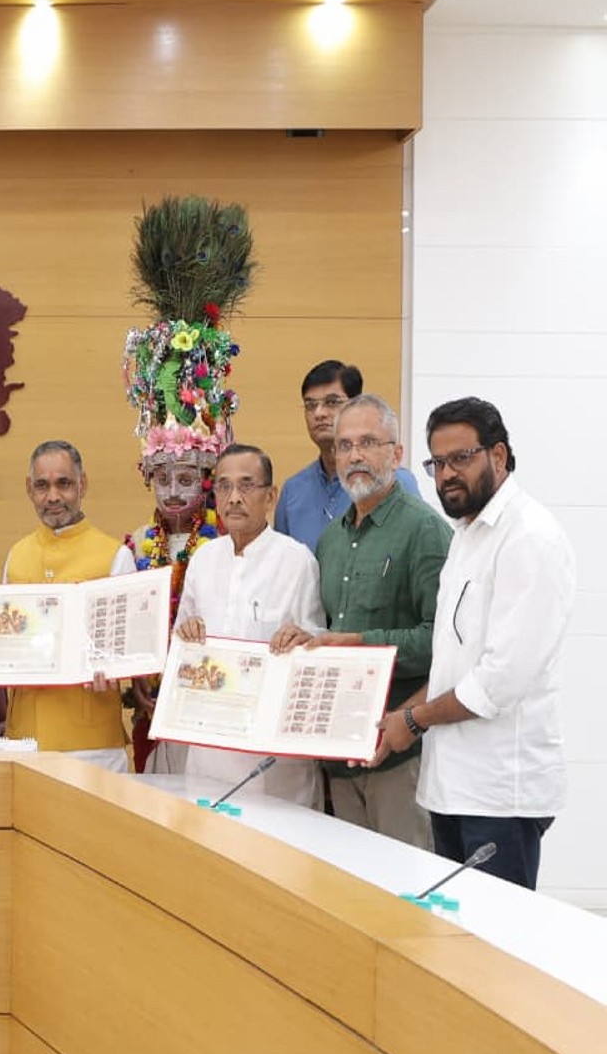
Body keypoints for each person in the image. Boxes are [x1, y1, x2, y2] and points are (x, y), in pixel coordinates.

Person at [370, 398, 575, 889]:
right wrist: (399, 720)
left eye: (461, 458)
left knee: (497, 950)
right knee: (456, 942)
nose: (446, 475)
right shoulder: (466, 536)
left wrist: (413, 721)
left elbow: (497, 682)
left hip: (501, 794)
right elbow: (452, 669)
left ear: (499, 456)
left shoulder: (529, 538)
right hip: (452, 788)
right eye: (437, 463)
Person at [271, 394, 447, 849]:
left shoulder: (423, 530)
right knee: (353, 895)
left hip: (398, 752)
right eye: (345, 446)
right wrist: (307, 642)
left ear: (397, 454)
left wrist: (359, 643)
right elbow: (334, 632)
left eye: (368, 442)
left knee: (405, 895)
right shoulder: (331, 540)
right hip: (340, 750)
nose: (354, 456)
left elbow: (443, 643)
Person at [120, 195, 256, 773]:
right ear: (147, 479)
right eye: (165, 479)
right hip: (152, 705)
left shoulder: (231, 548)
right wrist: (134, 683)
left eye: (188, 478)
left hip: (216, 706)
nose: (175, 492)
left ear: (209, 479)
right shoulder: (131, 549)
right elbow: (120, 630)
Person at [173, 444, 327, 805]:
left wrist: (304, 640)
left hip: (271, 755)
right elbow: (180, 642)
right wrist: (185, 634)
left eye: (246, 486)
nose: (234, 498)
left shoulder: (296, 560)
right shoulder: (203, 559)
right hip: (208, 746)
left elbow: (316, 642)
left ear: (270, 496)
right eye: (224, 487)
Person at [0, 440, 135, 770]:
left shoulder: (115, 556)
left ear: (82, 485)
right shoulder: (17, 556)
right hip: (24, 739)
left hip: (91, 743)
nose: (53, 497)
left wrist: (117, 669)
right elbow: (3, 647)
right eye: (42, 486)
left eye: (64, 484)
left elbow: (128, 649)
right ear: (29, 489)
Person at [274, 360, 420, 552]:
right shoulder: (293, 490)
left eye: (331, 402)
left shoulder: (394, 480)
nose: (319, 413)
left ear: (356, 405)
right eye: (310, 405)